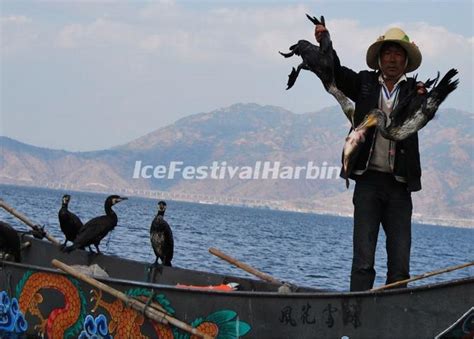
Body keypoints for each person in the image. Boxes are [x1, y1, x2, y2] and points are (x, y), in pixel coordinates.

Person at [315, 25, 426, 291]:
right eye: (387, 53)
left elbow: (424, 111)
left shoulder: (416, 91)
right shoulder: (364, 83)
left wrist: (424, 95)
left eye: (398, 54)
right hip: (367, 183)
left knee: (400, 265)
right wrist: (325, 41)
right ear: (379, 59)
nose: (391, 58)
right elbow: (337, 73)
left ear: (406, 61)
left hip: (400, 187)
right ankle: (358, 317)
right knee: (363, 260)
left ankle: (393, 318)